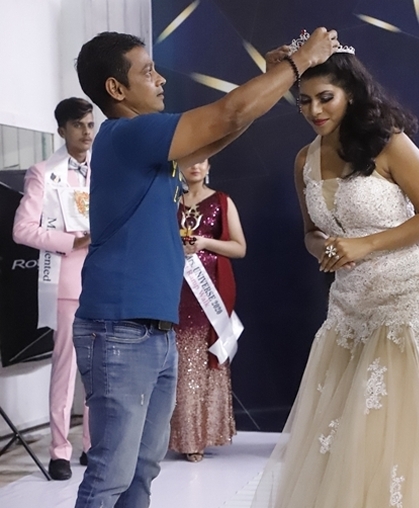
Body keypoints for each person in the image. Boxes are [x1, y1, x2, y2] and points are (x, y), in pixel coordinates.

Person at [72, 29, 339, 508]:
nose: (160, 80)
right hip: (120, 331)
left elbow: (221, 132)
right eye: (148, 72)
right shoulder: (129, 134)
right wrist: (298, 64)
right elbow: (227, 114)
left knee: (141, 471)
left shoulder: (145, 145)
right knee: (112, 474)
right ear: (116, 89)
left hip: (151, 330)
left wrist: (276, 77)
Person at [250, 38, 419, 508]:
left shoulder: (390, 144)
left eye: (325, 98)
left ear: (351, 93)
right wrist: (326, 248)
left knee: (393, 422)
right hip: (348, 300)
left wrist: (364, 244)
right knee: (341, 424)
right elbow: (310, 233)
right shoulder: (303, 160)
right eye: (304, 101)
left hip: (403, 293)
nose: (314, 110)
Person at [12, 97, 93, 481]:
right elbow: (22, 230)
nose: (87, 132)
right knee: (65, 368)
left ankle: (92, 445)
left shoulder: (104, 169)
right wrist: (69, 241)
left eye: (90, 124)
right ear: (61, 130)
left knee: (98, 371)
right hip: (67, 281)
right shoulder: (43, 172)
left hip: (104, 280)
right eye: (78, 125)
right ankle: (60, 450)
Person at [168, 159, 246, 462]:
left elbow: (239, 248)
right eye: (189, 161)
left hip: (209, 294)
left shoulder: (222, 201)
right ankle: (178, 436)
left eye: (201, 160)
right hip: (175, 292)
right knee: (180, 365)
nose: (195, 166)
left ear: (209, 165)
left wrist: (204, 243)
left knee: (203, 362)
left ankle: (199, 436)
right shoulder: (169, 201)